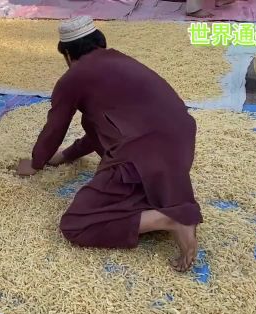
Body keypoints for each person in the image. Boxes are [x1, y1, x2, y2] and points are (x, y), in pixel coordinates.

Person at [16, 16, 202, 272]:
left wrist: (36, 163)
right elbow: (99, 130)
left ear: (68, 55)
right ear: (100, 43)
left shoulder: (73, 78)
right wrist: (64, 156)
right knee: (132, 199)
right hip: (180, 147)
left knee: (76, 225)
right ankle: (165, 208)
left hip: (140, 153)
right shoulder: (120, 61)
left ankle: (171, 219)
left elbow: (54, 127)